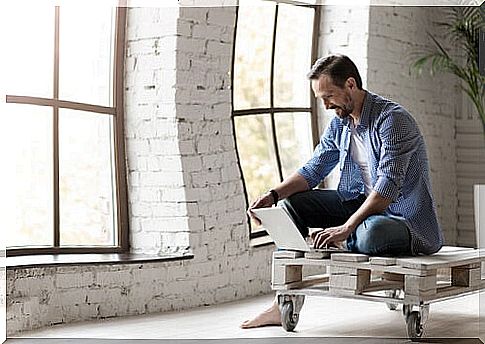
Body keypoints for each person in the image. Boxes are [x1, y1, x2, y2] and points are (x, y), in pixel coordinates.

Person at [240, 54, 444, 329]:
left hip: (403, 219)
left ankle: (342, 238)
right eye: (321, 99)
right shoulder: (340, 122)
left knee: (373, 233)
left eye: (329, 96)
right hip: (360, 205)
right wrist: (273, 195)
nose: (325, 105)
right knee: (292, 206)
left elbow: (387, 188)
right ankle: (283, 302)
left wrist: (346, 228)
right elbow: (314, 169)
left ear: (351, 85)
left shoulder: (393, 120)